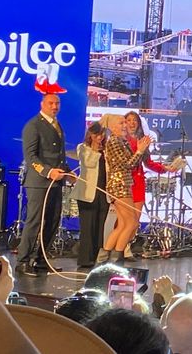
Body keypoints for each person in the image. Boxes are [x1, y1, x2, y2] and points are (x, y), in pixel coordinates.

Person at [17, 93, 70, 276]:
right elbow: (31, 157)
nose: (54, 106)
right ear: (42, 104)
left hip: (56, 182)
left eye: (57, 103)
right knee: (35, 222)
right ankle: (23, 261)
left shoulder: (56, 124)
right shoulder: (33, 125)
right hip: (39, 182)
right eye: (51, 103)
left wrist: (67, 172)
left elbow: (57, 154)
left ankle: (41, 258)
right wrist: (48, 171)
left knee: (53, 221)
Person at [122, 111, 177, 260]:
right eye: (129, 120)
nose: (132, 123)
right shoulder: (121, 140)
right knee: (124, 221)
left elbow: (148, 163)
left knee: (134, 222)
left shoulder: (142, 140)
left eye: (135, 120)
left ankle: (126, 247)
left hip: (138, 182)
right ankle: (122, 249)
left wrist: (166, 168)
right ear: (124, 122)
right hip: (125, 183)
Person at [100, 115, 151, 264]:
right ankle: (116, 260)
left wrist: (140, 149)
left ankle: (104, 259)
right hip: (119, 185)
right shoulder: (114, 142)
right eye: (121, 123)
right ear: (113, 127)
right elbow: (127, 165)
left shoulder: (123, 142)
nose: (125, 125)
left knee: (123, 224)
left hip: (124, 184)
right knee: (131, 224)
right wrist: (140, 151)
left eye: (125, 122)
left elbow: (133, 164)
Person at [70, 122, 110, 267]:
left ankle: (97, 258)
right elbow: (89, 163)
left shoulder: (106, 149)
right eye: (96, 134)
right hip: (87, 193)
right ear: (90, 135)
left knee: (100, 227)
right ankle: (85, 259)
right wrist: (95, 149)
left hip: (103, 192)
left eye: (101, 134)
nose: (99, 137)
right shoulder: (83, 148)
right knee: (88, 227)